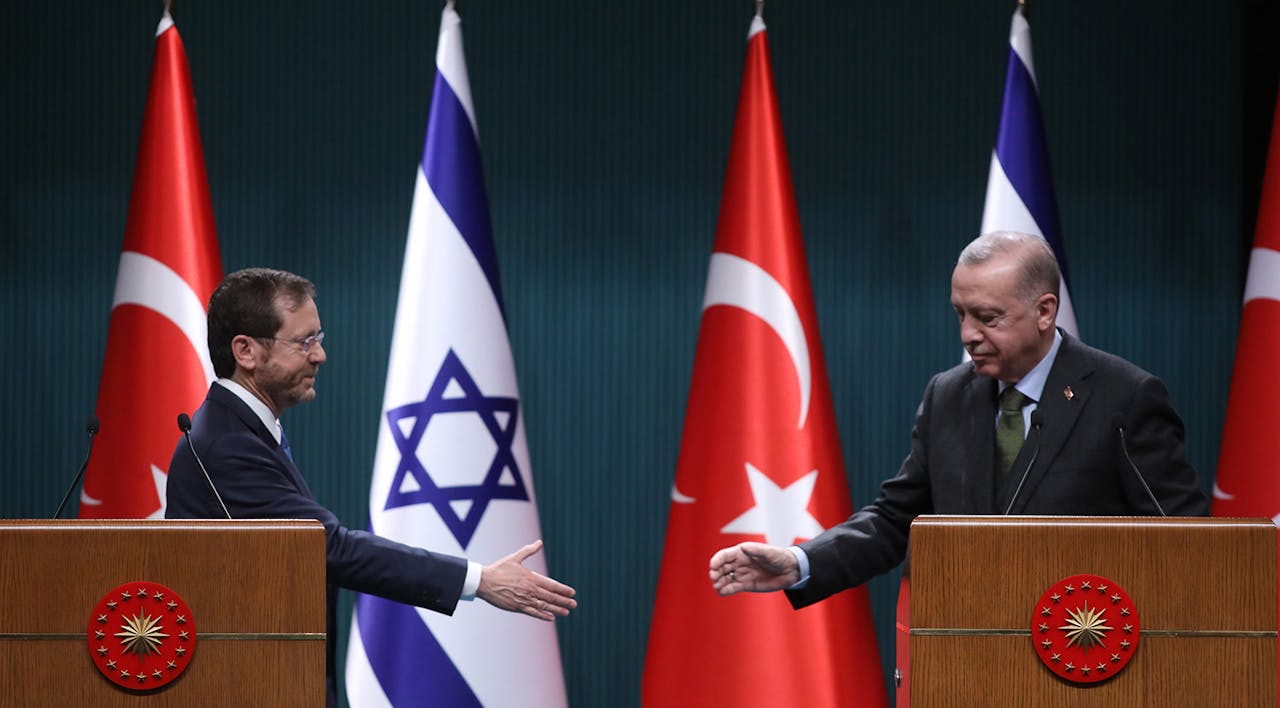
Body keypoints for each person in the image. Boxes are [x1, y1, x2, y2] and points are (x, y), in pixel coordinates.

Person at [709, 231, 1209, 605]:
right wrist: (799, 561)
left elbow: (1187, 544)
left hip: (1086, 656)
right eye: (960, 315)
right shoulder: (948, 395)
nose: (968, 335)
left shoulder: (1124, 396)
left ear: (1045, 310)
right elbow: (897, 520)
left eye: (988, 318)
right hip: (965, 658)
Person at [167, 268, 576, 706]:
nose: (319, 355)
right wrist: (479, 580)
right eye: (304, 342)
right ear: (245, 351)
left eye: (318, 338)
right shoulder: (227, 446)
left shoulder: (241, 432)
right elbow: (330, 549)